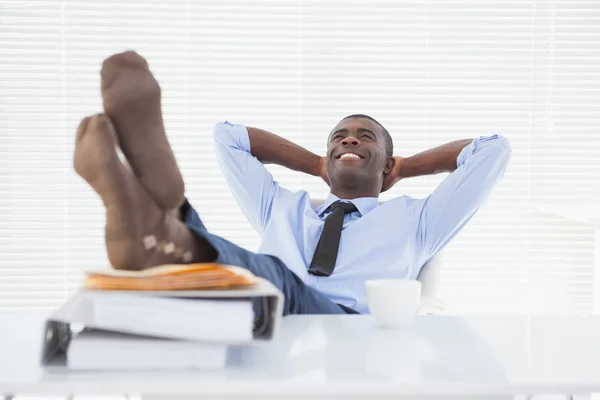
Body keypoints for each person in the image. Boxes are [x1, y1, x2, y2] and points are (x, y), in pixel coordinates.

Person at [74, 51, 511, 316]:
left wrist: (406, 167)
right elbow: (227, 136)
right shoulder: (282, 206)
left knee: (269, 278)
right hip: (254, 306)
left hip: (339, 322)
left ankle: (167, 229)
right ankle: (164, 219)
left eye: (364, 137)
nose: (350, 139)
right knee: (244, 279)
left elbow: (493, 150)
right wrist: (317, 164)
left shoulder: (419, 220)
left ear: (385, 163)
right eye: (338, 137)